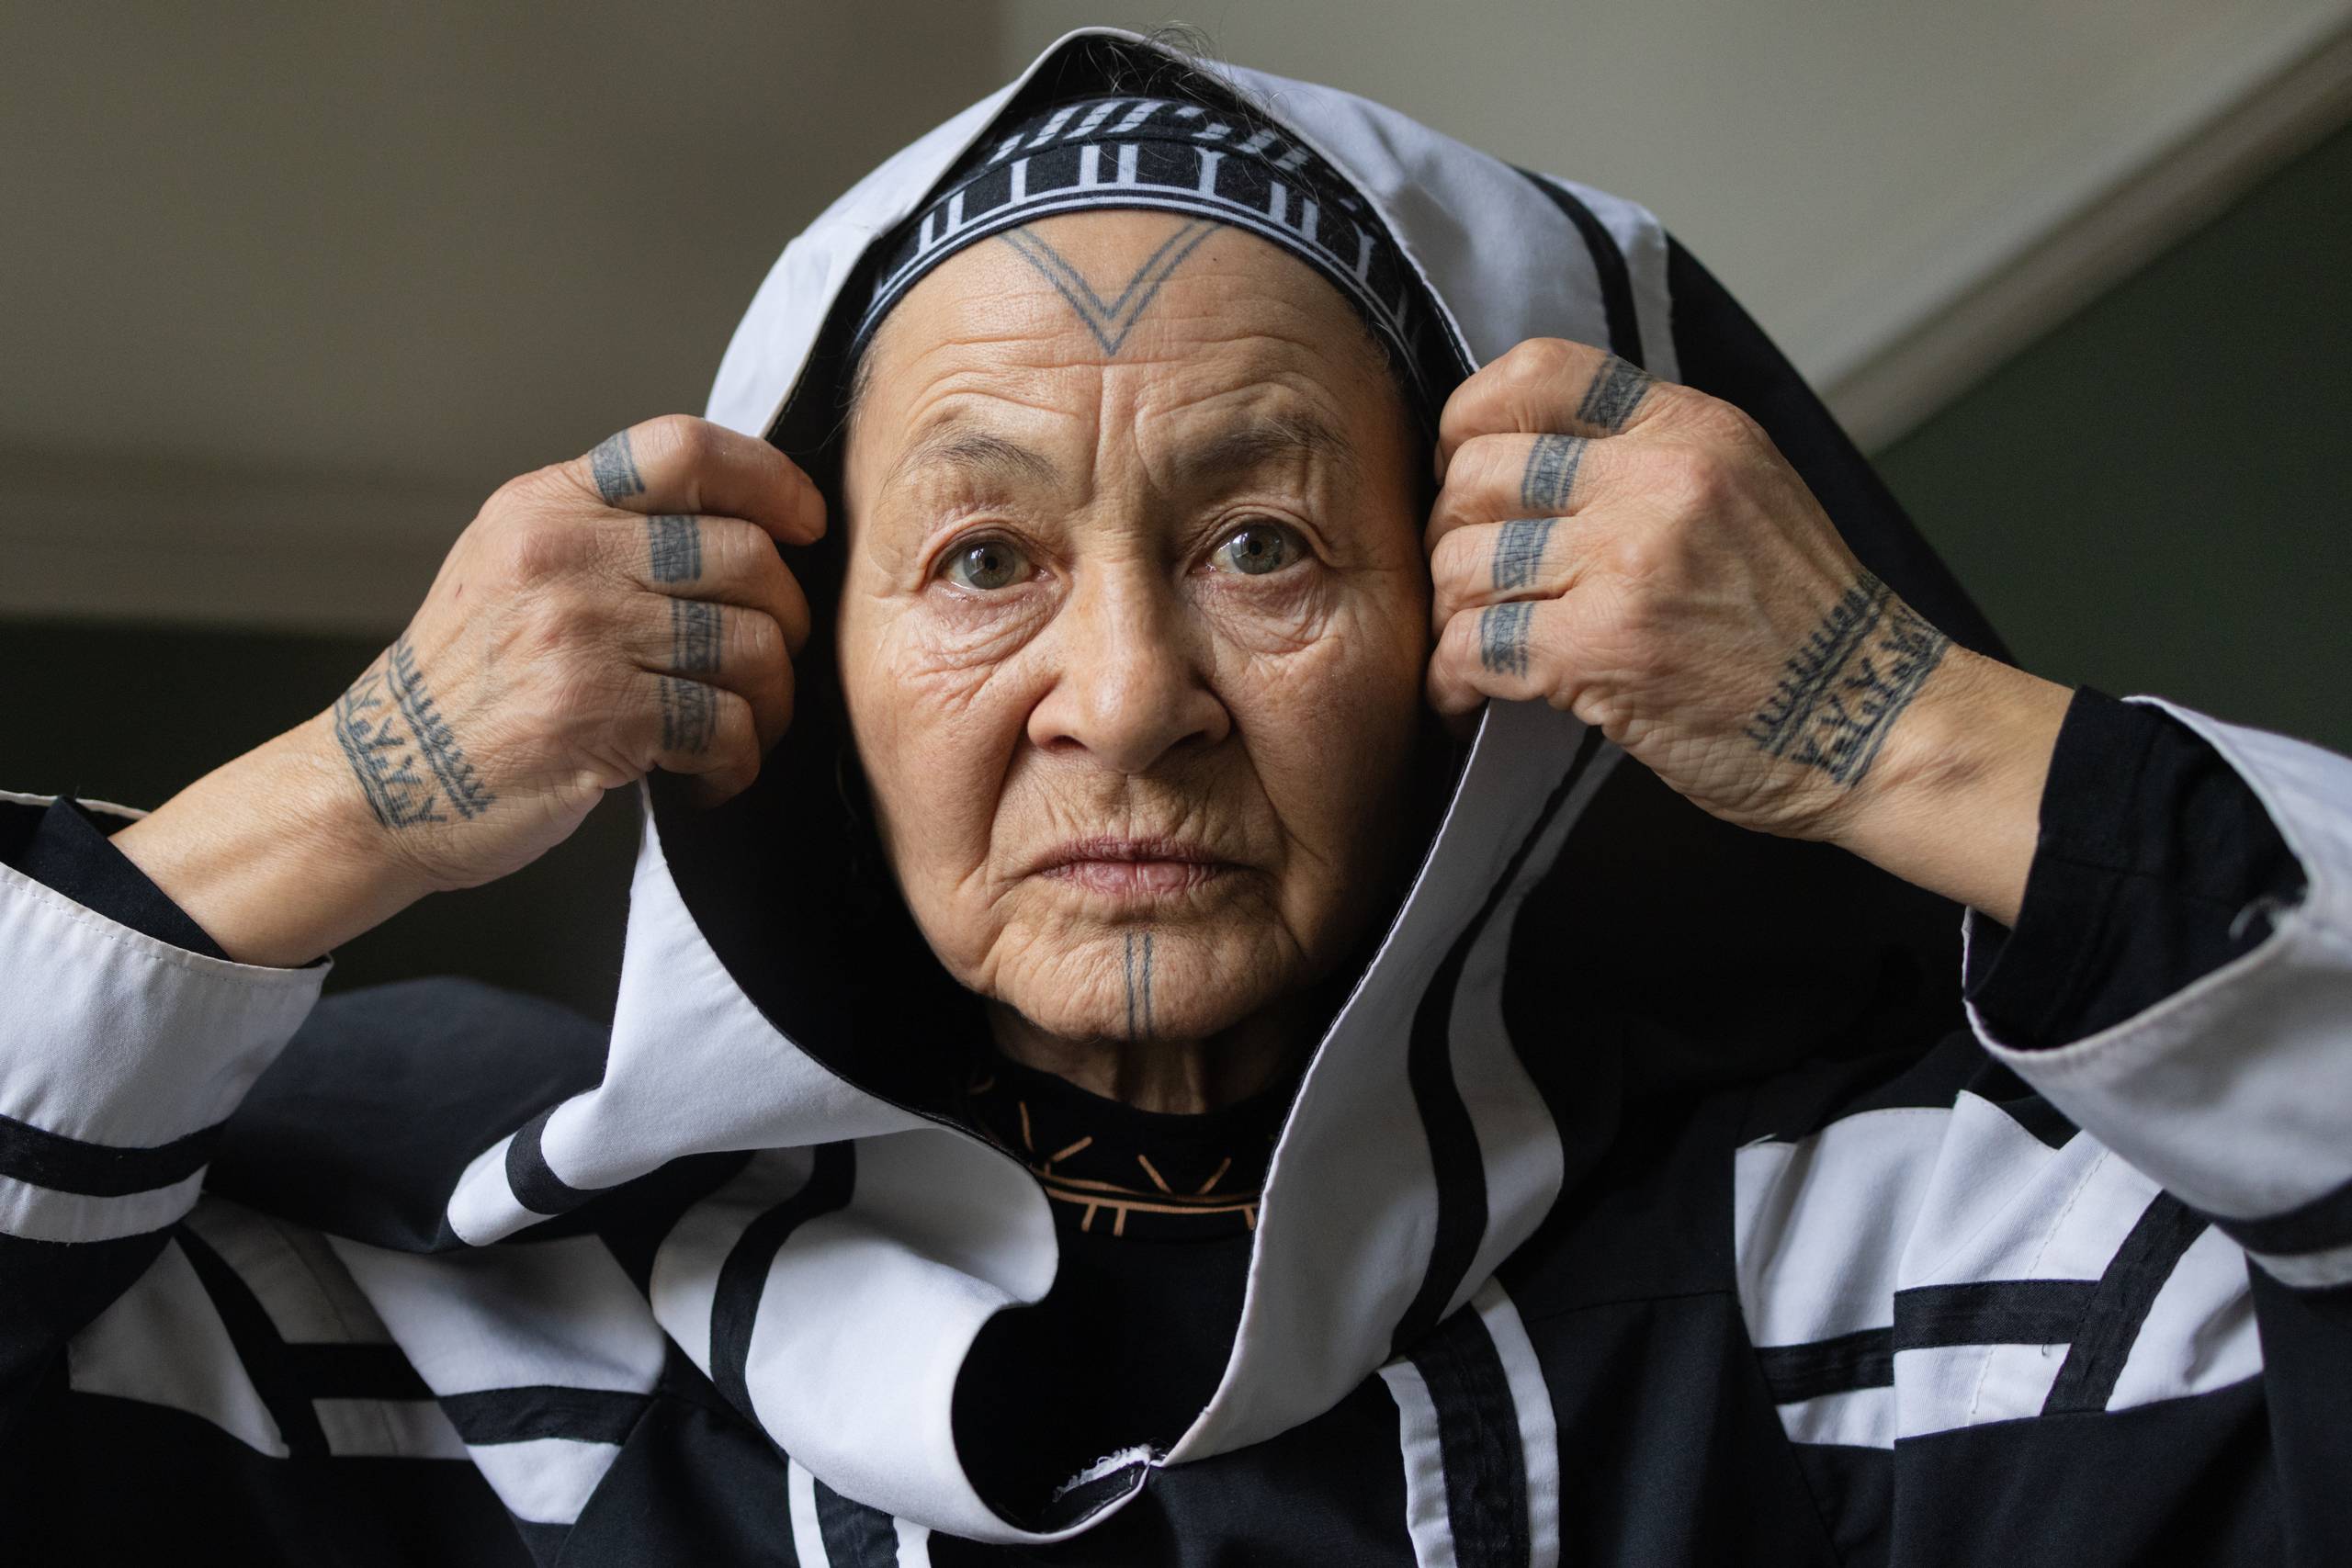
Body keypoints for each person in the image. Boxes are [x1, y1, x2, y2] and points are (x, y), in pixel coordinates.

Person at [4, 27, 2345, 1567]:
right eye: (981, 559)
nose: (1123, 701)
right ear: (797, 676)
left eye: (1263, 544)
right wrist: (346, 794)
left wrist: (1893, 718)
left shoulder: (1905, 1291)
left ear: (1486, 649)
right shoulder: (464, 1358)